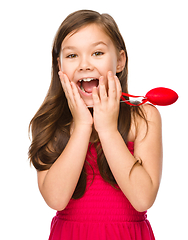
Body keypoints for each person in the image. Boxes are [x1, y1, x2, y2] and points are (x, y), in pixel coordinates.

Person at [29, 10, 162, 240]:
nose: (84, 65)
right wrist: (82, 126)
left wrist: (108, 129)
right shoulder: (50, 121)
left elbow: (142, 200)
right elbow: (55, 199)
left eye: (97, 53)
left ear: (120, 61)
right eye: (72, 56)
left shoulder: (144, 117)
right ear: (59, 66)